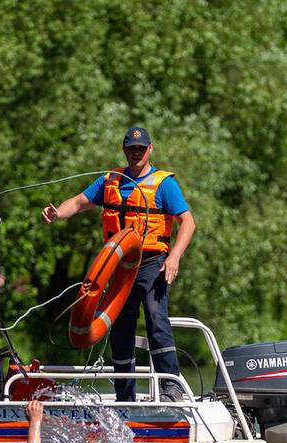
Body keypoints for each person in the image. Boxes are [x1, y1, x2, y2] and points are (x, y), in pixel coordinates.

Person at [41, 127, 197, 402]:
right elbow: (78, 202)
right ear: (124, 150)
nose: (135, 153)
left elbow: (188, 221)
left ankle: (171, 387)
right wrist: (58, 213)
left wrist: (174, 257)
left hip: (152, 263)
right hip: (121, 265)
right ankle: (125, 395)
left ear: (150, 150)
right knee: (121, 326)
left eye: (141, 148)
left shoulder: (164, 184)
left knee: (155, 317)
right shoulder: (110, 181)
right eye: (131, 148)